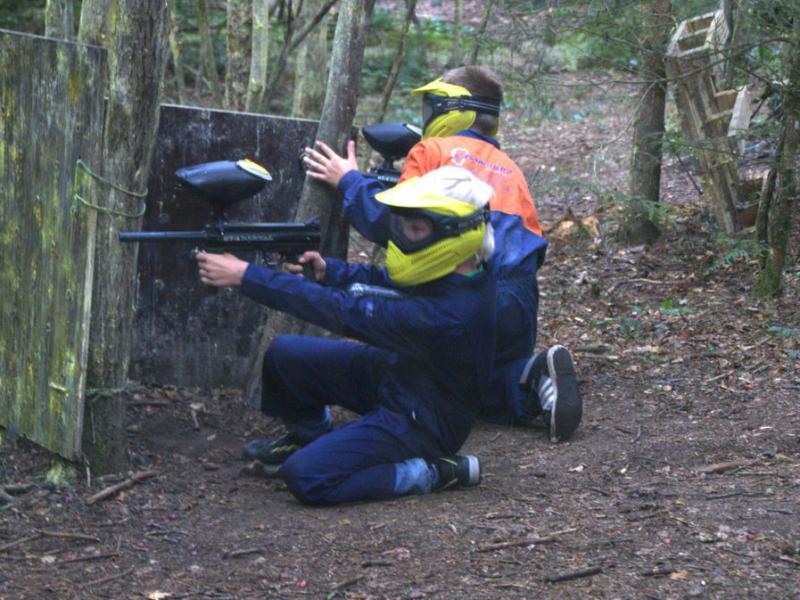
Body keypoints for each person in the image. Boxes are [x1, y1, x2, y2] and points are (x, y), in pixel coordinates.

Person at [302, 65, 582, 442]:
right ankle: (531, 375)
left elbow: (395, 226)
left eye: (432, 104)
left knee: (429, 381)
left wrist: (349, 180)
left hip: (461, 293)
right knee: (470, 385)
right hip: (520, 300)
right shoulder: (510, 167)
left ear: (453, 108)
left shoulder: (431, 150)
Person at [195, 166, 496, 505]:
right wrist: (329, 271)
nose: (402, 236)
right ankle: (310, 434)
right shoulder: (465, 269)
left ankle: (433, 471)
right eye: (403, 225)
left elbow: (341, 312)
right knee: (285, 355)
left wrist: (246, 276)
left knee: (307, 476)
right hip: (402, 374)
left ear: (457, 233)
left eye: (415, 229)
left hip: (424, 423)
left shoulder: (446, 317)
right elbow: (388, 282)